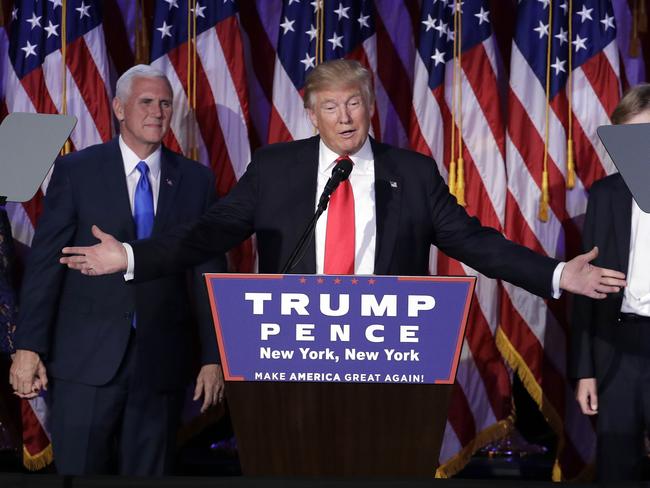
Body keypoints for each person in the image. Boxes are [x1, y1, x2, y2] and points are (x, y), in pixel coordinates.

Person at [60, 59, 624, 315]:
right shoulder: (277, 168)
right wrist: (133, 256)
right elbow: (207, 233)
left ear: (370, 107)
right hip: (294, 345)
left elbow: (475, 242)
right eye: (330, 107)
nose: (345, 118)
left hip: (386, 349)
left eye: (354, 103)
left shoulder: (414, 171)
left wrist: (555, 273)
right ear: (312, 116)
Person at [8, 65, 226, 476]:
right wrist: (28, 346)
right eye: (146, 102)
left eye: (165, 103)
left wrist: (215, 356)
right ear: (119, 108)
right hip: (83, 362)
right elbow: (45, 265)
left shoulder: (196, 181)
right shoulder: (77, 172)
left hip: (161, 366)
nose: (158, 112)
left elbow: (207, 273)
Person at [570, 84, 650, 481]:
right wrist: (586, 370)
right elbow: (586, 289)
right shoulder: (604, 195)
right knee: (617, 467)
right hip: (618, 348)